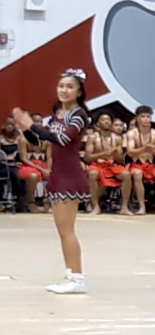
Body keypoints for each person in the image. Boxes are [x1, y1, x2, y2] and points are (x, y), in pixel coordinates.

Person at [13, 68, 91, 293]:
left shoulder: (78, 115)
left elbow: (62, 139)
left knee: (67, 230)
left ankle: (77, 279)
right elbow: (41, 141)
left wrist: (31, 125)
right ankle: (70, 275)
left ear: (79, 91)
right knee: (62, 229)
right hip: (57, 172)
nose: (64, 90)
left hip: (70, 175)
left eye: (69, 87)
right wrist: (25, 129)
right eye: (61, 86)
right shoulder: (58, 112)